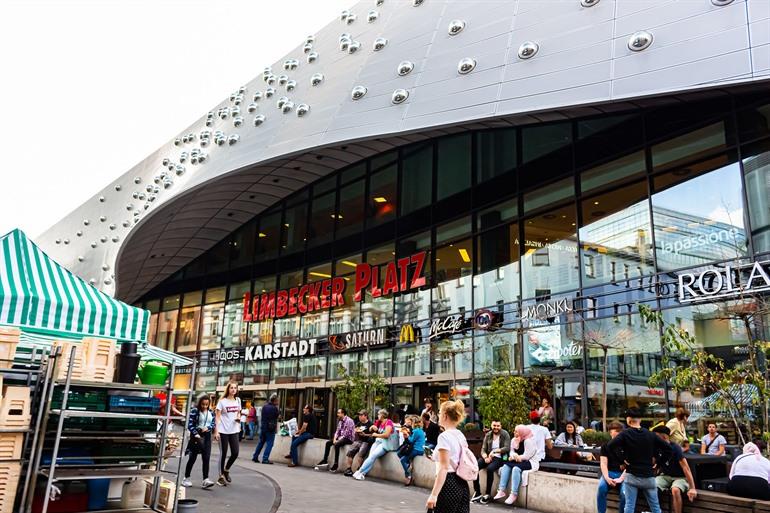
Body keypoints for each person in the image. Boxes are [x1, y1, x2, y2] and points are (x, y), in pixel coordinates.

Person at [607, 407, 672, 513]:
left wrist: (621, 461)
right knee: (655, 507)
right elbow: (669, 449)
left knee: (629, 507)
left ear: (628, 420)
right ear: (640, 420)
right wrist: (659, 464)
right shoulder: (650, 434)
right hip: (649, 476)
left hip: (631, 475)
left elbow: (610, 446)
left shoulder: (625, 434)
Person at [426, 400, 470, 513]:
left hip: (448, 483)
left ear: (445, 415)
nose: (439, 415)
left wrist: (434, 495)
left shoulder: (444, 437)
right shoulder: (460, 435)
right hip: (462, 483)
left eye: (440, 413)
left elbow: (444, 467)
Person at [652, 425, 697, 513]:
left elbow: (686, 468)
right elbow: (653, 464)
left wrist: (692, 488)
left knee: (675, 490)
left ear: (664, 437)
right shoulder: (656, 448)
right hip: (665, 476)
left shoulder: (675, 448)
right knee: (652, 485)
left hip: (680, 477)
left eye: (656, 437)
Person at [493, 425, 542, 505]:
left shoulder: (528, 441)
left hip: (529, 461)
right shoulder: (514, 440)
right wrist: (513, 456)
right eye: (515, 431)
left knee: (516, 469)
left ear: (521, 433)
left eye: (516, 431)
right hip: (518, 460)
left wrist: (517, 457)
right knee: (506, 466)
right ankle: (501, 490)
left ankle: (514, 494)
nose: (514, 432)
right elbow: (511, 451)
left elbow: (527, 456)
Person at [471, 420, 511, 504]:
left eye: (498, 426)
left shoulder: (505, 434)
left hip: (499, 458)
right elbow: (483, 449)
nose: (496, 427)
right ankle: (477, 492)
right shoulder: (488, 435)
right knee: (475, 467)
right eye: (494, 425)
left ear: (501, 426)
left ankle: (487, 494)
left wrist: (495, 451)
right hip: (488, 457)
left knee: (490, 469)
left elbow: (507, 448)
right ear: (491, 426)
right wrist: (485, 457)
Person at [183, 394, 216, 489]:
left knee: (206, 458)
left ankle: (206, 479)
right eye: (203, 404)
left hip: (207, 436)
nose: (204, 406)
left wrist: (208, 427)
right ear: (200, 403)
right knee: (192, 458)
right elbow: (189, 423)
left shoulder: (211, 412)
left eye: (206, 404)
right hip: (197, 436)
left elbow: (213, 423)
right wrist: (195, 433)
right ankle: (186, 478)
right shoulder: (194, 411)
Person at [352, 409, 395, 480]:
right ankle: (362, 473)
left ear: (382, 415)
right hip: (378, 441)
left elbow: (386, 435)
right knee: (371, 457)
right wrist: (372, 428)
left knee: (373, 455)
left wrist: (376, 434)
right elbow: (370, 430)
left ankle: (360, 471)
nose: (378, 416)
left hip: (385, 443)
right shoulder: (379, 422)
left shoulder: (389, 422)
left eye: (379, 414)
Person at [214, 381, 242, 486]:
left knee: (235, 453)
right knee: (223, 453)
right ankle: (220, 477)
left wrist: (238, 418)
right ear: (228, 389)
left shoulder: (238, 400)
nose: (233, 390)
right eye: (231, 388)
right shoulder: (222, 401)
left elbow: (238, 412)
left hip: (234, 430)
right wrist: (216, 431)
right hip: (223, 431)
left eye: (235, 388)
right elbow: (217, 417)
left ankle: (226, 470)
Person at [597, 421, 626, 513]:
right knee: (601, 488)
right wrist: (607, 478)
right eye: (615, 431)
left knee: (624, 494)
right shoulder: (605, 446)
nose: (618, 433)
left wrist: (621, 478)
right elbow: (603, 463)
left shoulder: (627, 446)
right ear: (610, 432)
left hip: (624, 475)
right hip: (609, 473)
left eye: (619, 431)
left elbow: (629, 465)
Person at [316, 408, 355, 472]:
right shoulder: (340, 421)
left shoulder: (349, 421)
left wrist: (337, 440)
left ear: (343, 413)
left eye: (339, 413)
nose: (337, 414)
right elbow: (337, 431)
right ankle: (325, 460)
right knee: (328, 443)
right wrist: (334, 439)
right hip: (341, 438)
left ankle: (336, 464)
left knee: (337, 445)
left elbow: (346, 434)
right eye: (337, 413)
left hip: (349, 438)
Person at [342, 410, 374, 477]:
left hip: (366, 441)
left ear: (365, 416)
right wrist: (355, 431)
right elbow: (355, 430)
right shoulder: (359, 423)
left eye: (361, 415)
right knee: (350, 452)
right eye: (359, 415)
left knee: (360, 454)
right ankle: (349, 469)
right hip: (359, 440)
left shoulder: (370, 424)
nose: (359, 417)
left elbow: (373, 435)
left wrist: (365, 435)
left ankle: (359, 469)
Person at [252, 393, 279, 464]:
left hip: (263, 427)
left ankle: (255, 456)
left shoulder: (265, 406)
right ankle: (265, 458)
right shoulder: (274, 408)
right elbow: (276, 417)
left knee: (261, 442)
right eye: (277, 400)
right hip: (270, 428)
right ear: (275, 401)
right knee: (270, 443)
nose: (278, 402)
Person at [399, 415, 425, 486]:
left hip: (416, 450)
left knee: (402, 460)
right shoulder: (420, 430)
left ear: (414, 423)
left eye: (411, 422)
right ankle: (408, 465)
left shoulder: (416, 431)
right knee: (401, 454)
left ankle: (408, 475)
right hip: (420, 450)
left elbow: (411, 440)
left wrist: (407, 435)